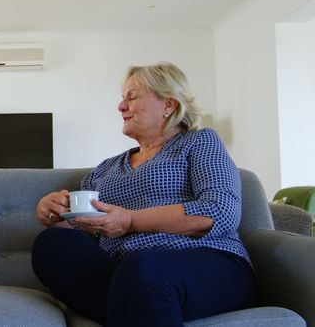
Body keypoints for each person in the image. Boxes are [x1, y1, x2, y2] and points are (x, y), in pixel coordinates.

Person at [31, 62, 255, 327]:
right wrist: (55, 214)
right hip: (123, 272)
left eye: (132, 97)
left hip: (206, 260)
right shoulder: (104, 169)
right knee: (52, 245)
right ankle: (136, 303)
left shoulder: (199, 141)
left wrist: (131, 221)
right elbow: (88, 230)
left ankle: (134, 301)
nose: (121, 106)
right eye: (122, 98)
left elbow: (221, 212)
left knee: (144, 269)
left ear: (169, 105)